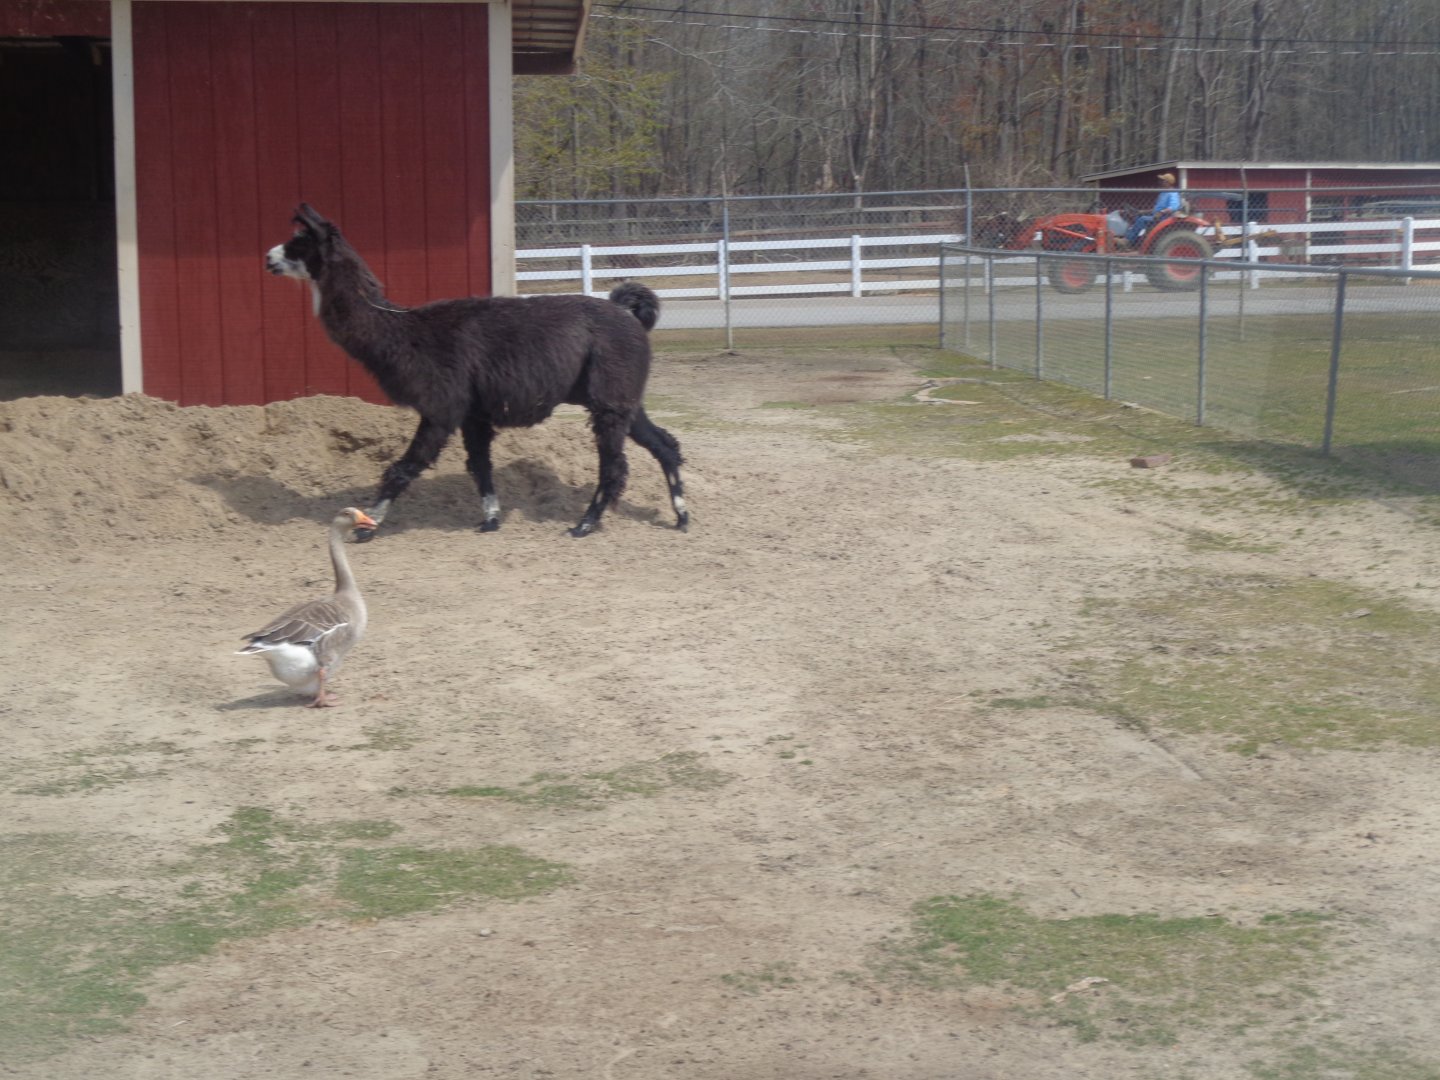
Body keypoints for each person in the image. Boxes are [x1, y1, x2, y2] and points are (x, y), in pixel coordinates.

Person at [1126, 172, 1181, 246]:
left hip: (1163, 218)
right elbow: (1156, 208)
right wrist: (1142, 211)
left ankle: (1128, 241)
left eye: (1162, 181)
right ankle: (1134, 241)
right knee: (1138, 216)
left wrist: (1162, 212)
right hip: (1156, 216)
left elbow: (1174, 207)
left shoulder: (1173, 193)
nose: (1160, 182)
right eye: (1160, 181)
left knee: (1142, 219)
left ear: (1168, 182)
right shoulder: (1163, 193)